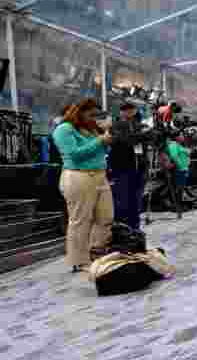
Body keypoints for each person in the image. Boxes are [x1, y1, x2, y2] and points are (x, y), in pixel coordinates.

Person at [52, 99, 114, 273]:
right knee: (80, 220)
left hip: (100, 176)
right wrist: (100, 141)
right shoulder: (64, 129)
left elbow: (100, 152)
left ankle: (96, 252)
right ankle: (79, 261)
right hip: (78, 176)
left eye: (96, 114)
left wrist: (104, 139)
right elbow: (74, 155)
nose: (94, 118)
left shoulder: (92, 129)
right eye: (91, 114)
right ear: (79, 112)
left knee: (105, 217)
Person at [108, 102, 150, 230]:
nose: (129, 112)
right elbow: (125, 140)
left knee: (136, 202)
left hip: (139, 169)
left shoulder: (140, 125)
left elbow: (150, 138)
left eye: (131, 109)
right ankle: (122, 230)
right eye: (125, 110)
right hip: (122, 169)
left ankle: (134, 229)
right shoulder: (116, 126)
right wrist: (143, 135)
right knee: (121, 202)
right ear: (121, 112)